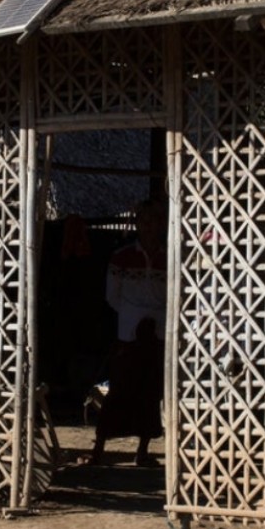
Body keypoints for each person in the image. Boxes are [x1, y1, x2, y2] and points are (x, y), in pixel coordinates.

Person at [90, 200, 167, 467]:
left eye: (154, 221)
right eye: (144, 221)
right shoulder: (121, 257)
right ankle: (99, 448)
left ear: (161, 224)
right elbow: (112, 296)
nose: (149, 226)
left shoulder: (169, 257)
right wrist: (133, 314)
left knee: (150, 391)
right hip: (128, 333)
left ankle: (142, 451)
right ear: (137, 225)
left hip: (159, 331)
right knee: (120, 390)